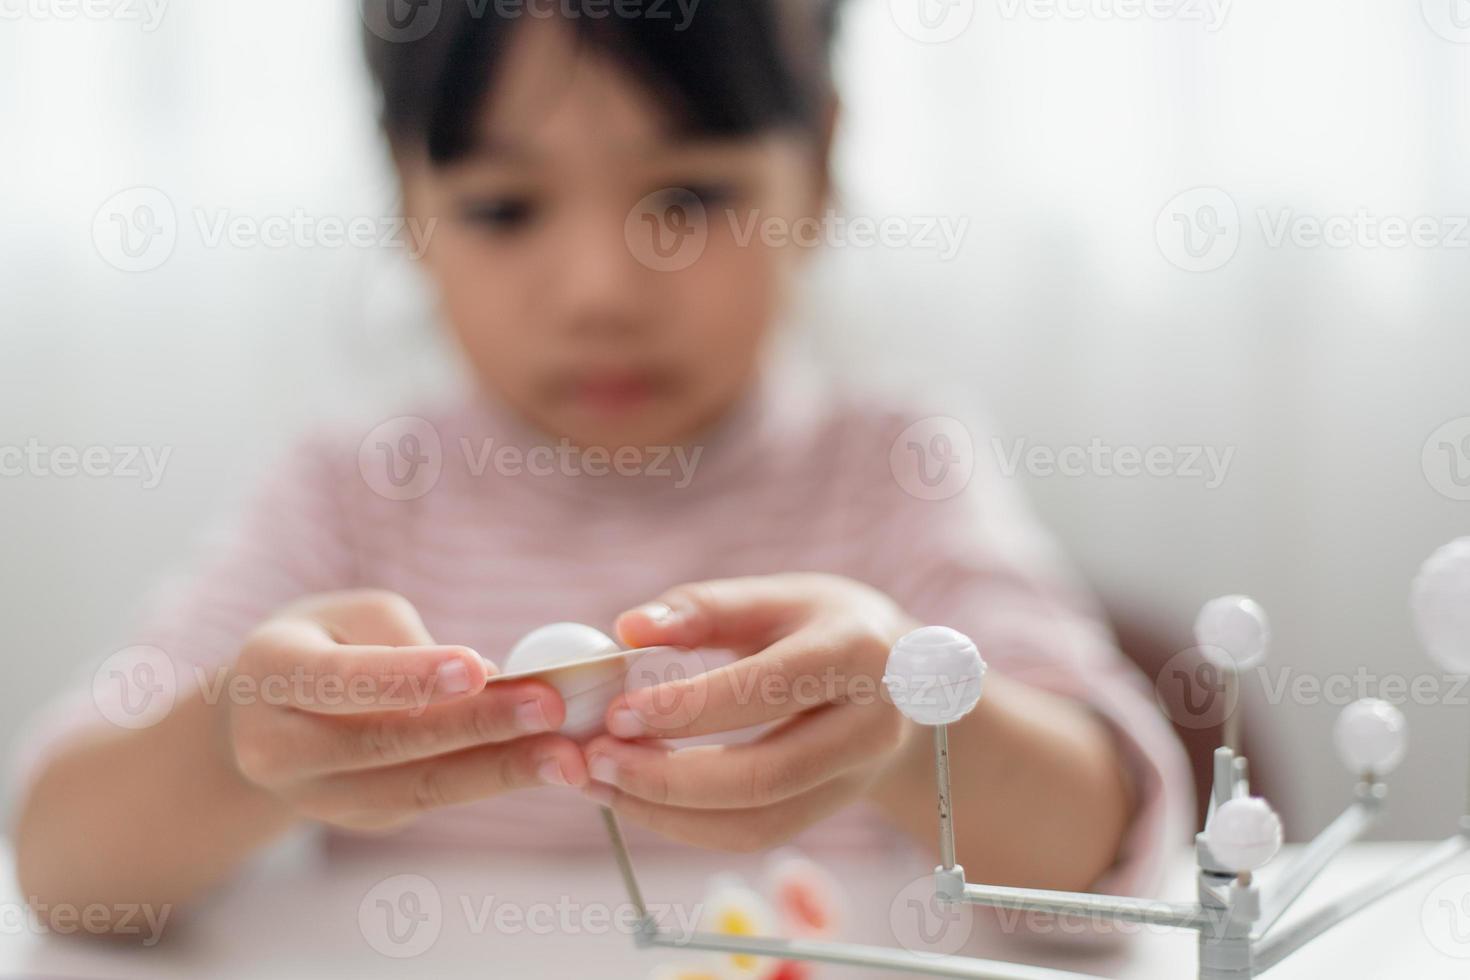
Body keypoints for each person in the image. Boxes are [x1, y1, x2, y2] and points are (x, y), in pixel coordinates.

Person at [11, 0, 1190, 931]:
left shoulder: (893, 471)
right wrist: (236, 745)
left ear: (819, 166)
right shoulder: (356, 493)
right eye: (505, 207)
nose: (600, 292)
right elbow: (63, 869)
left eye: (687, 197)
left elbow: (1113, 854)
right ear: (407, 202)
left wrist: (913, 727)